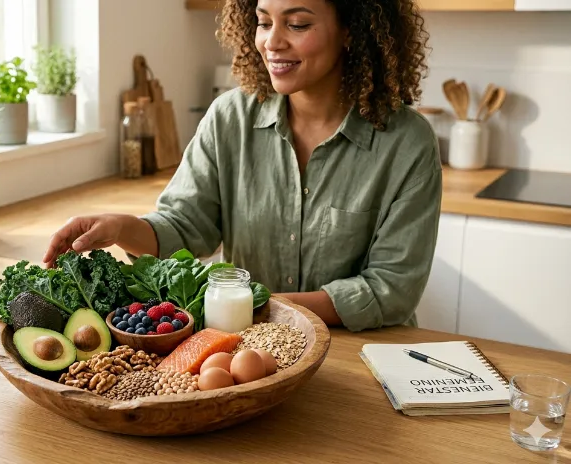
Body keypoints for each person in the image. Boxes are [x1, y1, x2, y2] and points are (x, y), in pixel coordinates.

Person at [43, 0, 441, 332]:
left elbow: (390, 290)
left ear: (352, 29)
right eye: (263, 22)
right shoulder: (230, 117)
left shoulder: (407, 142)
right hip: (248, 349)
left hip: (363, 354)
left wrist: (252, 305)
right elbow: (186, 226)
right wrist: (120, 227)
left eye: (298, 24)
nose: (272, 42)